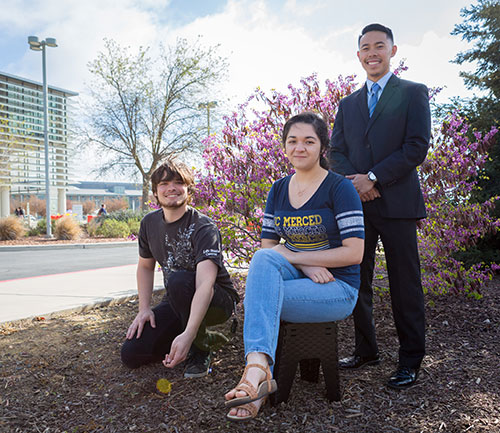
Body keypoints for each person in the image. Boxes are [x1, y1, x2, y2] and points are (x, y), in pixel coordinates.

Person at [224, 112, 365, 421]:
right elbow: (268, 249)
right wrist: (304, 265)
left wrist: (301, 258)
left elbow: (355, 253)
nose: (299, 147)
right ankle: (257, 370)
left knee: (261, 298)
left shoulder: (340, 188)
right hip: (300, 277)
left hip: (336, 288)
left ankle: (257, 377)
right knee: (262, 260)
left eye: (308, 141)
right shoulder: (278, 189)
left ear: (322, 147)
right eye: (292, 141)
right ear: (284, 146)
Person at [329, 23, 431, 389]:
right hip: (357, 206)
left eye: (379, 46)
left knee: (406, 284)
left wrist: (373, 177)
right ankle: (365, 350)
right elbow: (335, 151)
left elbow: (416, 146)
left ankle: (411, 360)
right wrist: (357, 182)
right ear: (358, 55)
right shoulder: (347, 104)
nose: (373, 53)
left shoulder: (414, 93)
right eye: (366, 48)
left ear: (392, 50)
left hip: (399, 205)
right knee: (358, 280)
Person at [121, 160, 239, 378]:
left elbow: (206, 284)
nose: (171, 188)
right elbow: (146, 267)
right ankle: (186, 335)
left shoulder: (204, 227)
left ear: (188, 189)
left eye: (178, 182)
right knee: (131, 354)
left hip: (217, 302)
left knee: (180, 281)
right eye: (164, 183)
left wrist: (190, 334)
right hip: (178, 299)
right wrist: (144, 309)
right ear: (155, 192)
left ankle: (202, 347)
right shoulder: (149, 223)